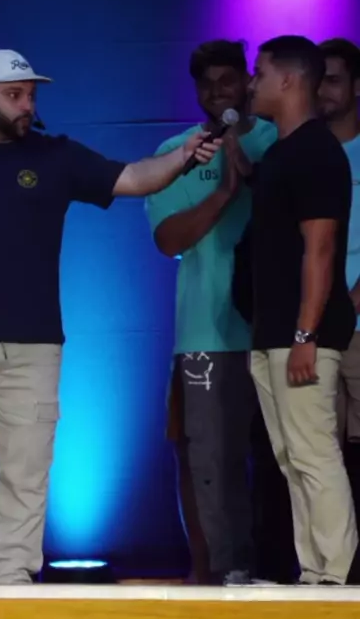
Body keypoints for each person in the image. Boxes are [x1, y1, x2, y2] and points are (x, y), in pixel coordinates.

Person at [0, 48, 220, 587]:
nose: (27, 105)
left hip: (36, 344)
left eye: (31, 96)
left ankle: (13, 578)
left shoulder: (53, 155)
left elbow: (133, 178)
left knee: (28, 470)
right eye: (14, 95)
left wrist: (182, 156)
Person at [145, 40, 277, 586]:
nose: (218, 92)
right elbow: (168, 239)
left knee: (286, 460)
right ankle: (216, 575)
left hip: (278, 332)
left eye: (228, 80)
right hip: (206, 335)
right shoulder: (177, 152)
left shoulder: (280, 139)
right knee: (206, 463)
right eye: (207, 84)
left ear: (248, 81)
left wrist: (248, 168)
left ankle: (287, 573)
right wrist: (223, 192)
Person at [249, 35, 358, 586]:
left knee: (314, 454)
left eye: (260, 73)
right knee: (291, 458)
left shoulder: (316, 152)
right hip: (270, 332)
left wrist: (305, 334)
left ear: (288, 80)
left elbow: (321, 248)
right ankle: (315, 574)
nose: (253, 84)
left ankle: (339, 576)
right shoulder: (279, 153)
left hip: (302, 333)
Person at [318, 38, 360, 522]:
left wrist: (350, 303)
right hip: (316, 330)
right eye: (319, 81)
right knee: (322, 457)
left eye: (334, 80)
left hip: (355, 326)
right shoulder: (306, 153)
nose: (323, 92)